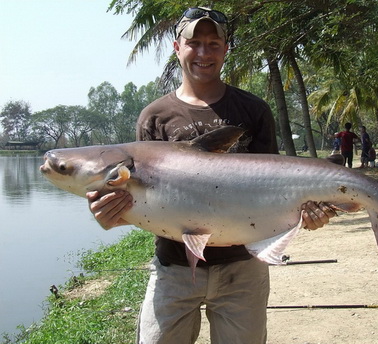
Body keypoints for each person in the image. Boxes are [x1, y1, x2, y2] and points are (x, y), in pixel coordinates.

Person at [87, 7, 335, 344]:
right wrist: (112, 215)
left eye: (213, 43)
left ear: (226, 49)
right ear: (177, 47)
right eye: (194, 43)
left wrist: (305, 214)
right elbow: (140, 199)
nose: (204, 53)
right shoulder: (154, 117)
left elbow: (277, 187)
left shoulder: (253, 110)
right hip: (173, 269)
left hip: (243, 269)